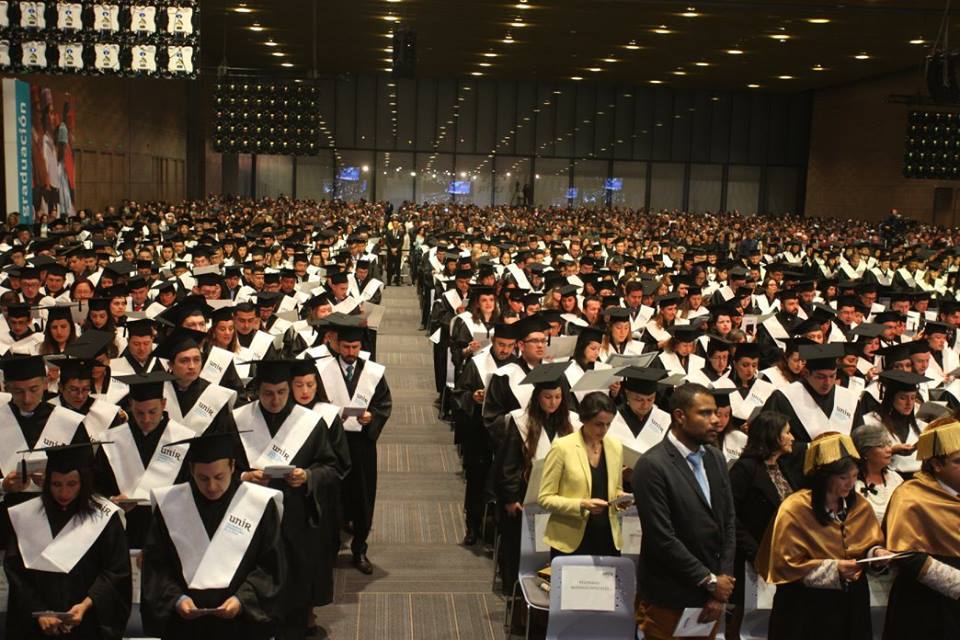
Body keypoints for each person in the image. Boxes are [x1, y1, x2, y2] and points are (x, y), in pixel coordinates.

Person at [141, 432, 286, 640]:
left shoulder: (259, 503)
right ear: (191, 470)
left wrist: (243, 600)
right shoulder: (170, 504)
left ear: (232, 467)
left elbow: (271, 565)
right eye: (203, 478)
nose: (211, 487)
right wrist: (176, 599)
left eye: (219, 477)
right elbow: (156, 566)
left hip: (240, 624)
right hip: (185, 625)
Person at [756, 432, 891, 640]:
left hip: (852, 603)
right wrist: (833, 568)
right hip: (806, 606)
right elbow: (784, 566)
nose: (851, 483)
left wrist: (877, 553)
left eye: (855, 476)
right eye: (843, 478)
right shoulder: (795, 508)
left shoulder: (860, 506)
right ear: (823, 476)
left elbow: (868, 544)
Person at [632, 382, 736, 640]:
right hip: (670, 595)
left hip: (711, 596)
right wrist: (709, 580)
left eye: (716, 412)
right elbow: (662, 538)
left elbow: (728, 522)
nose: (715, 420)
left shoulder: (715, 458)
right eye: (705, 413)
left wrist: (720, 582)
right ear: (679, 416)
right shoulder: (652, 465)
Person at [4, 442, 132, 639]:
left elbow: (115, 570)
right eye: (56, 484)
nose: (64, 493)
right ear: (47, 483)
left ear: (83, 483)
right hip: (36, 624)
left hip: (88, 621)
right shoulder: (26, 515)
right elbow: (16, 573)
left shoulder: (103, 516)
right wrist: (40, 612)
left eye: (72, 484)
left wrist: (86, 605)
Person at [315, 322, 392, 574]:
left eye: (355, 347)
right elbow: (314, 402)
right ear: (336, 344)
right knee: (333, 496)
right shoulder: (322, 370)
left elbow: (383, 403)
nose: (350, 352)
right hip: (332, 444)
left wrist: (373, 417)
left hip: (361, 444)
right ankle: (332, 547)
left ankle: (359, 549)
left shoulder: (373, 372)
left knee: (362, 495)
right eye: (346, 346)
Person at [496, 369, 576, 594]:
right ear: (537, 397)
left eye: (558, 397)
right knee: (522, 546)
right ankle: (516, 591)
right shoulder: (521, 422)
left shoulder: (572, 423)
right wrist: (511, 498)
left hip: (560, 497)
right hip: (525, 497)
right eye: (547, 397)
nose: (553, 403)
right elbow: (508, 465)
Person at [883, 418, 960, 640]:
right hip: (926, 606)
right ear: (936, 464)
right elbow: (905, 554)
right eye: (959, 461)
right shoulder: (910, 496)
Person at [727, 411, 801, 639]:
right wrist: (756, 552)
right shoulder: (745, 469)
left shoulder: (783, 467)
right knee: (746, 622)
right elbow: (730, 515)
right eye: (787, 433)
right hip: (751, 557)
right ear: (774, 437)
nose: (792, 438)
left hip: (782, 557)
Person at [453, 322, 518, 546]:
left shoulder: (517, 368)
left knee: (501, 482)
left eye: (510, 346)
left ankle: (493, 528)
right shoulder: (477, 364)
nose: (505, 350)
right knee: (476, 480)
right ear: (493, 341)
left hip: (506, 435)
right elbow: (459, 392)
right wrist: (473, 397)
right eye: (501, 344)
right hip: (478, 432)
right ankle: (472, 526)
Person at [538, 392, 627, 558]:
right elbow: (545, 498)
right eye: (599, 424)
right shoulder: (562, 447)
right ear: (584, 420)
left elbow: (616, 487)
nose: (604, 430)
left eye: (609, 424)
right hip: (570, 542)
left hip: (607, 538)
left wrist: (620, 498)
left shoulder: (615, 446)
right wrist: (581, 504)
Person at [851, 422, 903, 522]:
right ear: (865, 452)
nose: (889, 450)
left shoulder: (896, 479)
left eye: (889, 444)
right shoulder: (852, 484)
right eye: (881, 446)